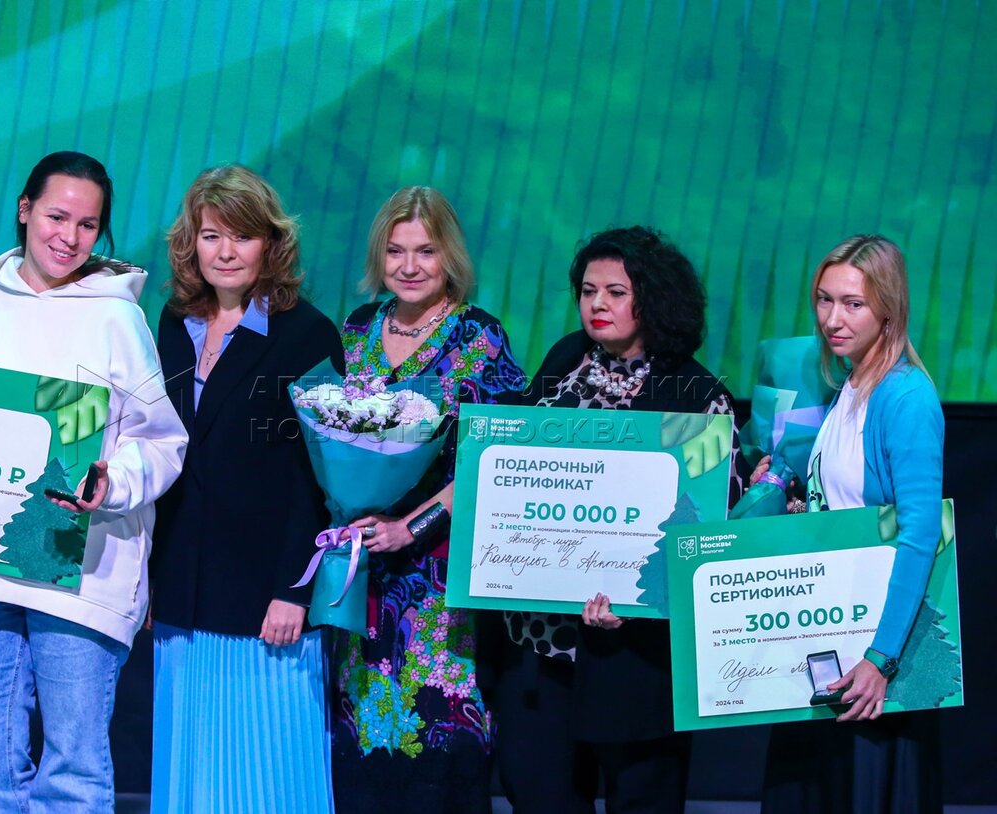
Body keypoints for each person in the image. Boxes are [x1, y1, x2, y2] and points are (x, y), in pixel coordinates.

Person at [0, 150, 188, 813]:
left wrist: (111, 482)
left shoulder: (117, 318)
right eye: (57, 217)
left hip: (83, 572)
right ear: (25, 210)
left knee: (74, 767)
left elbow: (162, 442)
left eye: (88, 225)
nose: (69, 237)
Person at [493, 226, 746, 814]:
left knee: (642, 798)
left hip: (637, 650)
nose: (597, 304)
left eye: (615, 292)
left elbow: (709, 534)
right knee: (538, 791)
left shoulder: (696, 395)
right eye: (588, 291)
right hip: (544, 639)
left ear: (654, 299)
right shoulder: (565, 358)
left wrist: (639, 598)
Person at [149, 165, 342, 814]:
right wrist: (151, 577)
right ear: (191, 244)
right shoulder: (173, 323)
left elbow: (316, 480)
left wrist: (293, 590)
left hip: (265, 599)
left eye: (242, 236)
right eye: (211, 236)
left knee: (264, 772)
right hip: (182, 588)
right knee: (193, 764)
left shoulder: (308, 334)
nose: (225, 252)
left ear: (271, 243)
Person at [330, 186, 526, 814]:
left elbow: (498, 461)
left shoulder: (479, 337)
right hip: (362, 572)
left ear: (450, 257)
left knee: (438, 750)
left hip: (438, 580)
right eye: (396, 251)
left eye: (426, 251)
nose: (409, 265)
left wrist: (413, 526)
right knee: (360, 751)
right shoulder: (356, 329)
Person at [759, 235, 944, 814]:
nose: (832, 319)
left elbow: (920, 535)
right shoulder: (849, 387)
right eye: (824, 299)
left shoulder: (905, 395)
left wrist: (881, 658)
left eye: (853, 304)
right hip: (829, 638)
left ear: (889, 308)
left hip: (874, 662)